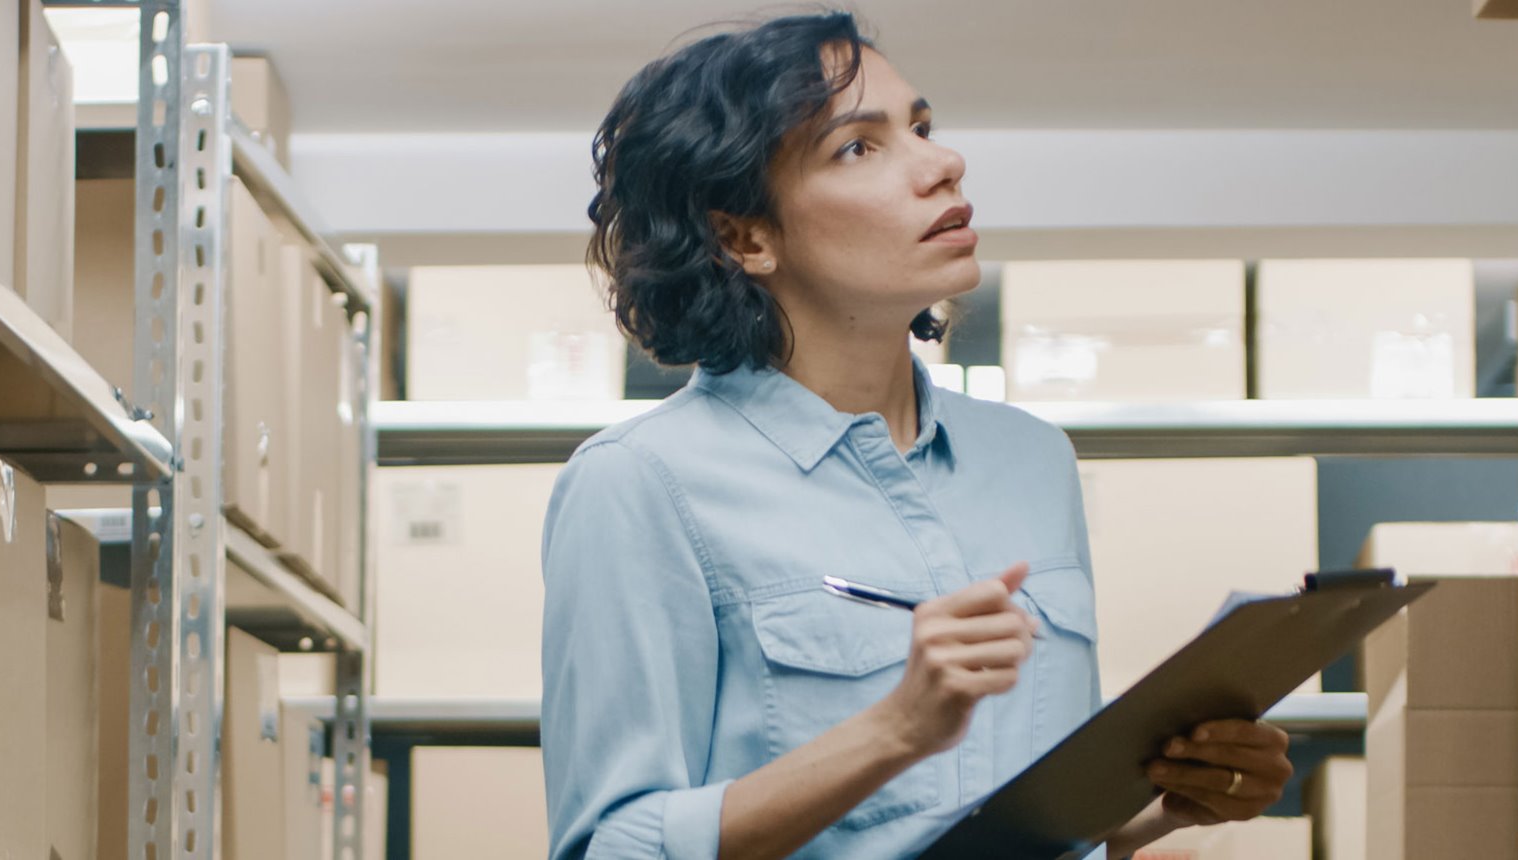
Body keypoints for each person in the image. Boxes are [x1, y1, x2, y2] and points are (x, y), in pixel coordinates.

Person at [540, 11, 1295, 860]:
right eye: (858, 147)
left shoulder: (1031, 459)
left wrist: (1171, 798)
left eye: (922, 127)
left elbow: (1029, 818)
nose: (942, 164)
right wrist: (894, 728)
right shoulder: (639, 483)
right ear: (743, 237)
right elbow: (614, 845)